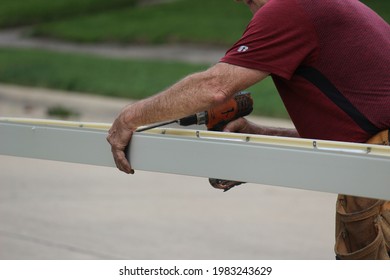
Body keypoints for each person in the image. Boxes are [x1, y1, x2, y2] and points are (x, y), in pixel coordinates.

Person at [107, 0, 390, 259]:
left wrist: (130, 117)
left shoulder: (288, 8)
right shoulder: (332, 6)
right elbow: (356, 135)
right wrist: (263, 138)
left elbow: (214, 87)